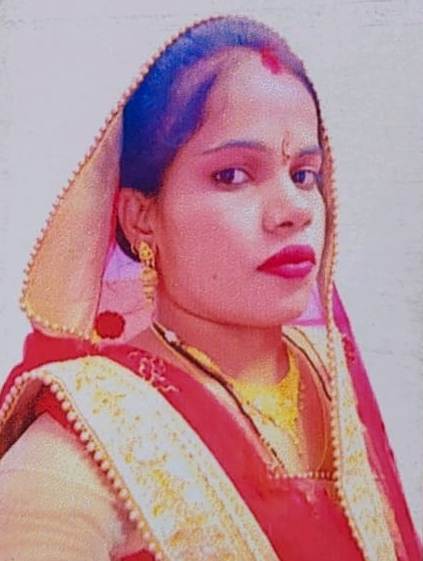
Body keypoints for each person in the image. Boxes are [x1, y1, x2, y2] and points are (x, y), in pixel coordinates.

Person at [0, 15, 420, 561]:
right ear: (141, 217)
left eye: (304, 174)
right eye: (233, 175)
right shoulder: (89, 434)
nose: (293, 210)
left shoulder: (329, 377)